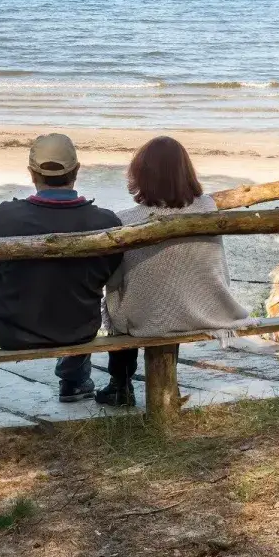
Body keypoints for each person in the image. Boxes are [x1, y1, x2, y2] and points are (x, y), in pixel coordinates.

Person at [0, 133, 121, 418]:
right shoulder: (105, 222)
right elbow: (108, 274)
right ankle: (74, 381)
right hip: (78, 330)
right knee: (78, 291)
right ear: (77, 170)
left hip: (11, 331)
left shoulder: (4, 218)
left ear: (32, 173)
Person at [96, 136, 249, 407]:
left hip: (151, 314)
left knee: (122, 299)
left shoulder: (126, 220)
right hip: (201, 306)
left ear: (141, 175)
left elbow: (115, 278)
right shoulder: (207, 207)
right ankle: (150, 384)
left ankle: (119, 384)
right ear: (186, 172)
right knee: (169, 291)